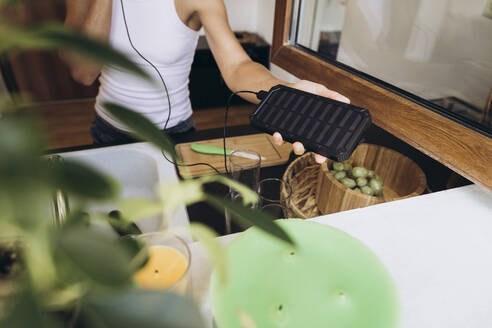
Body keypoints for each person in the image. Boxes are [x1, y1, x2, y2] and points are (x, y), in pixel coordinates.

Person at [62, 0, 350, 163]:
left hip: (174, 134)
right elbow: (82, 72)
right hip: (109, 131)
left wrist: (286, 93)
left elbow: (237, 67)